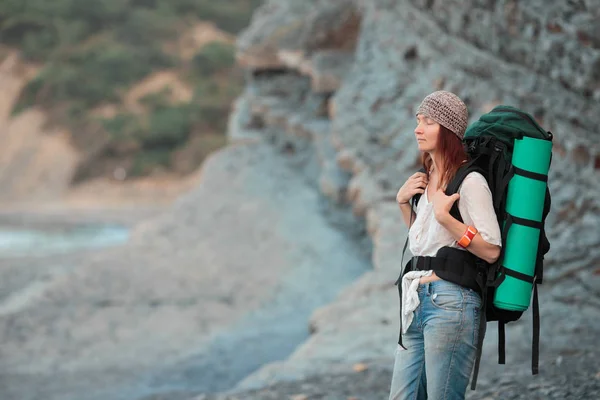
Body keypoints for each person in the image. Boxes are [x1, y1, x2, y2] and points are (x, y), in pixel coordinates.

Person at [389, 91, 502, 400]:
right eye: (418, 120)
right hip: (416, 301)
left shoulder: (470, 182)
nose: (418, 128)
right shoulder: (429, 179)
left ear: (449, 131)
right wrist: (403, 204)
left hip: (451, 305)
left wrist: (445, 216)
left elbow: (491, 248)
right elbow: (426, 245)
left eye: (428, 122)